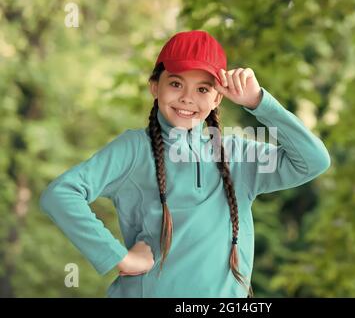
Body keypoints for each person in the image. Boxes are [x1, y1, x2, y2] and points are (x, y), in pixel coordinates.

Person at [39, 30, 331, 298]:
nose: (187, 99)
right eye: (176, 83)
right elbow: (61, 194)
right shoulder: (134, 149)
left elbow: (314, 161)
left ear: (218, 97)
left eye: (203, 89)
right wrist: (118, 257)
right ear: (155, 87)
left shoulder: (237, 154)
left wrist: (258, 102)